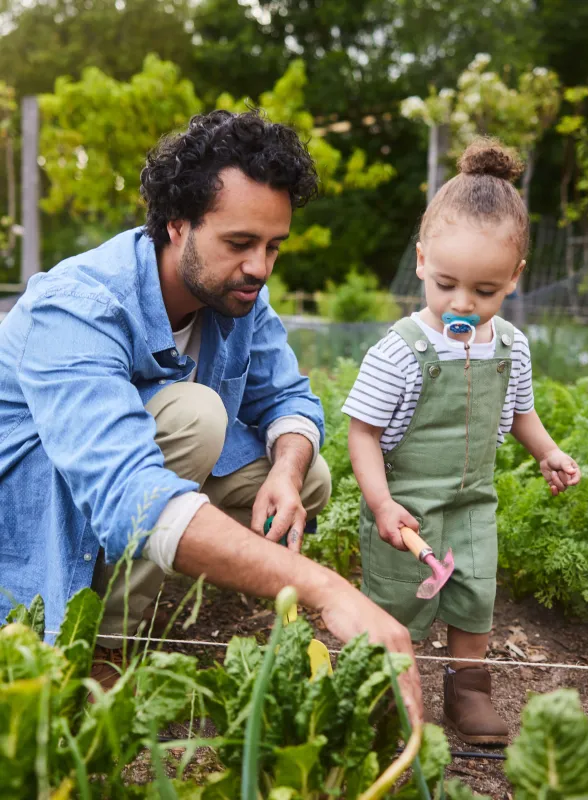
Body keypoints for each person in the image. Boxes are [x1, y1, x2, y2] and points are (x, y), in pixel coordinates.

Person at [0, 109, 422, 717]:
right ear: (177, 225)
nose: (260, 267)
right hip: (40, 501)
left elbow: (291, 399)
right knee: (196, 416)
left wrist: (285, 468)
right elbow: (126, 492)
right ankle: (99, 644)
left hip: (132, 489)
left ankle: (143, 589)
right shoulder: (81, 304)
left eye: (273, 246)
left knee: (307, 475)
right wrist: (325, 590)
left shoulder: (237, 293)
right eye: (240, 243)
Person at [343, 138, 581, 745]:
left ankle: (468, 689)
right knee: (396, 602)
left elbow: (520, 412)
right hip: (406, 507)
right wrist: (379, 503)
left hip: (474, 502)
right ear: (422, 260)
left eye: (486, 291)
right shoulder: (399, 350)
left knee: (475, 593)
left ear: (514, 280)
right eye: (447, 283)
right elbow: (363, 431)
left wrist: (548, 451)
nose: (463, 303)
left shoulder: (511, 346)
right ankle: (382, 688)